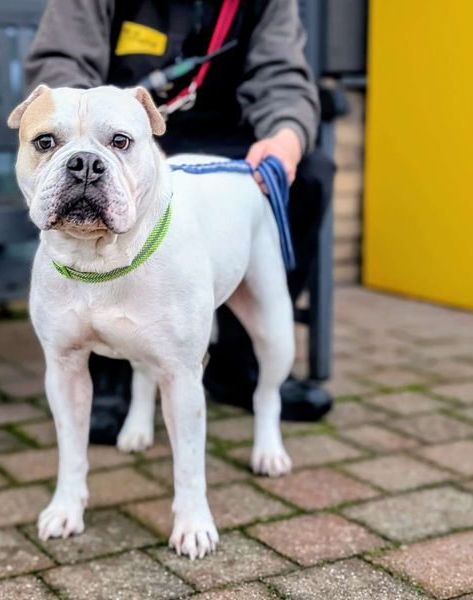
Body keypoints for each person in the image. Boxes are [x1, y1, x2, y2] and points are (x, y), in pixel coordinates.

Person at [23, 0, 335, 444]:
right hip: (119, 138)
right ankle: (107, 363)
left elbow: (281, 74)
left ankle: (240, 363)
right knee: (94, 187)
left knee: (309, 176)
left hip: (230, 137)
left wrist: (286, 134)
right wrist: (102, 133)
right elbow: (62, 61)